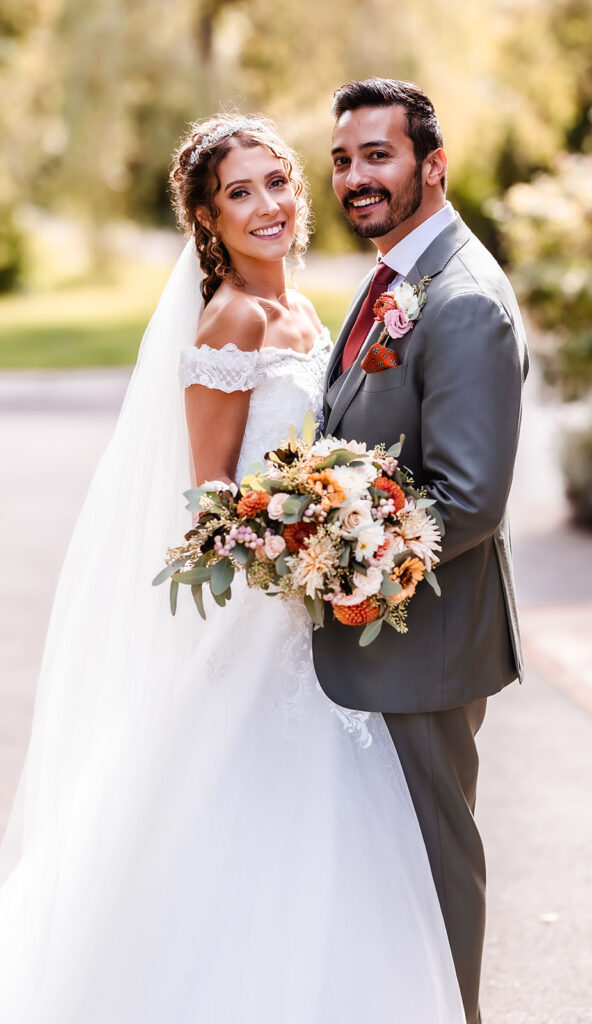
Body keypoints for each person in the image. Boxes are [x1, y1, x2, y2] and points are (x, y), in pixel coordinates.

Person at [0, 112, 466, 1022]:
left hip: (319, 619)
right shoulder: (233, 318)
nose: (266, 207)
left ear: (300, 189)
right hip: (266, 620)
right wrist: (298, 544)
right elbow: (210, 499)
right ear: (206, 222)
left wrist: (348, 520)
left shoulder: (304, 308)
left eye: (277, 183)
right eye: (238, 194)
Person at [313, 78, 529, 1024]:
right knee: (382, 865)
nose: (356, 177)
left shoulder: (464, 299)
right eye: (343, 159)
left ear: (432, 166)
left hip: (425, 642)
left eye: (379, 156)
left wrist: (341, 558)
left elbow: (469, 498)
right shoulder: (404, 276)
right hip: (381, 644)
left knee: (435, 862)